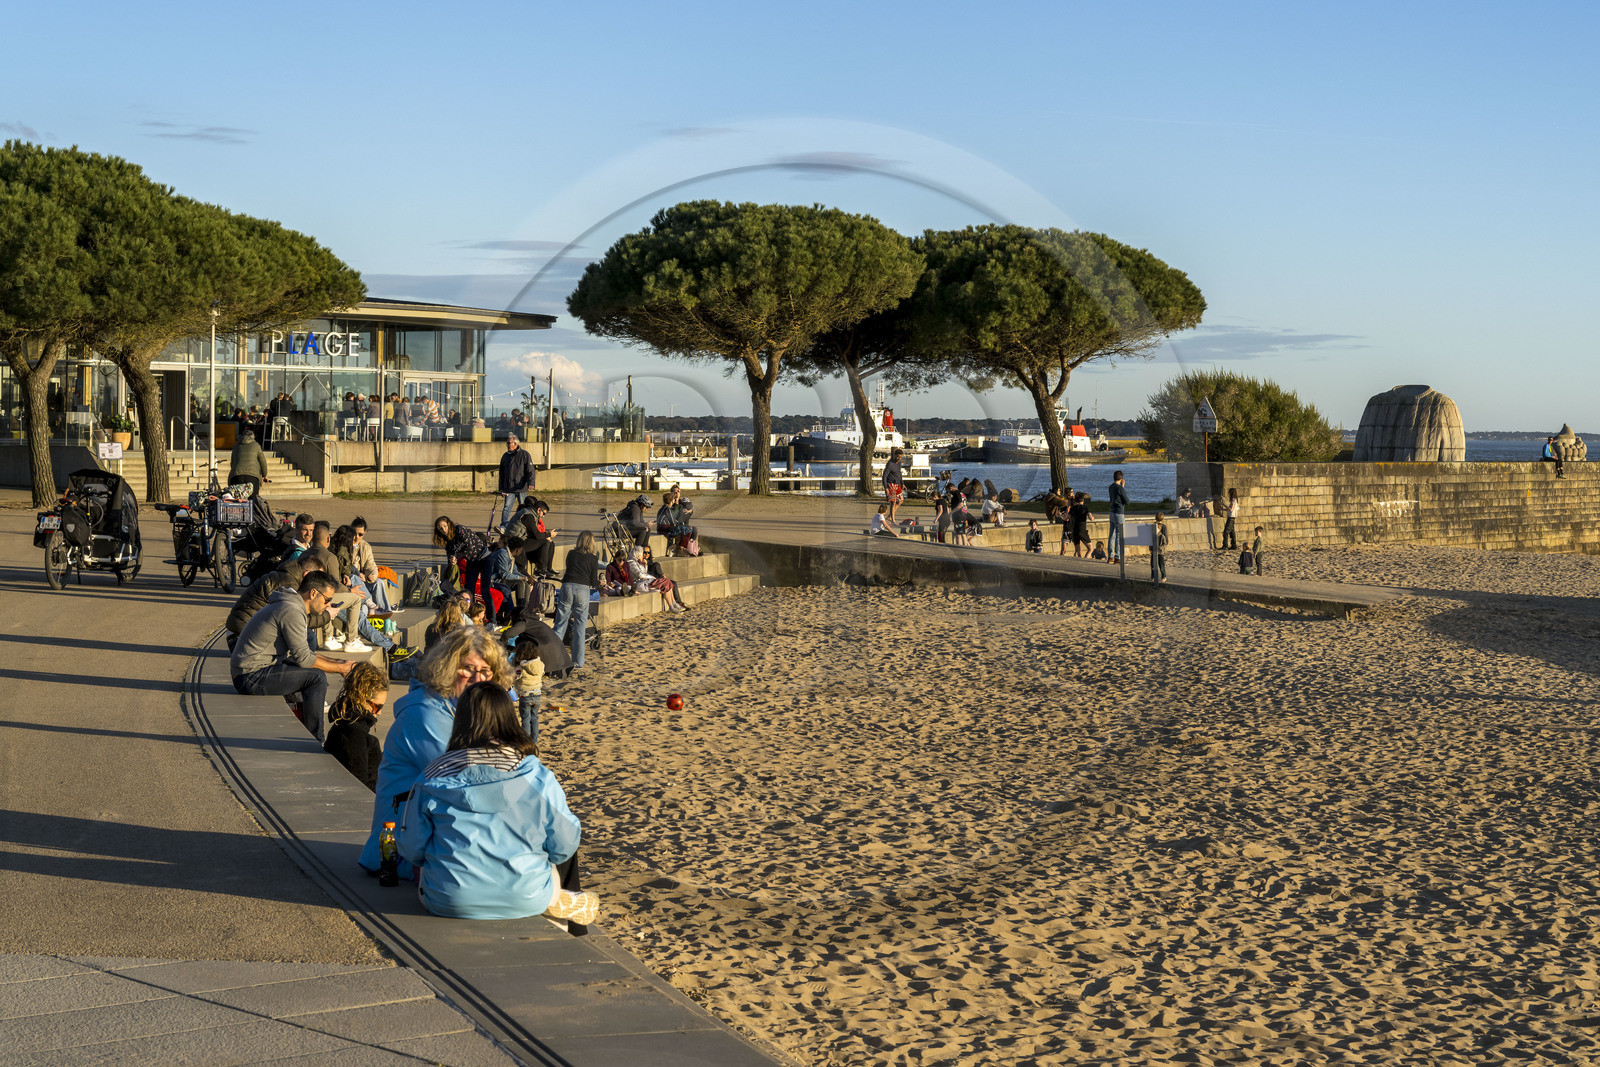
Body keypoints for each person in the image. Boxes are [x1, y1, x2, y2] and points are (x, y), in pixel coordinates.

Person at [397, 682, 596, 928]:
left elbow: (410, 848)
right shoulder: (537, 776)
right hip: (528, 896)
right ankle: (555, 902)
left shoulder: (432, 777)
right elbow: (565, 846)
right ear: (508, 719)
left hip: (449, 899)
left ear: (460, 719)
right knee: (549, 873)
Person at [360, 626, 512, 876]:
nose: (478, 679)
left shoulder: (465, 711)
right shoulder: (424, 714)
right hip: (402, 851)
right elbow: (464, 782)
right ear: (448, 668)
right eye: (468, 669)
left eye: (486, 671)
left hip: (437, 832)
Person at [230, 572, 353, 744]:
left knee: (309, 642)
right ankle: (315, 741)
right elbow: (304, 659)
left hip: (256, 668)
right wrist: (341, 669)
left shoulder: (291, 605)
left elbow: (304, 655)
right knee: (316, 678)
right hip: (249, 676)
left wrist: (339, 662)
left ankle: (305, 720)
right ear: (313, 593)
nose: (328, 605)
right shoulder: (291, 611)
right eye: (327, 599)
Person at [224, 556, 327, 650]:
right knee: (307, 638)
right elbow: (295, 619)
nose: (320, 583)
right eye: (318, 577)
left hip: (244, 633)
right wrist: (327, 615)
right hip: (241, 639)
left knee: (307, 636)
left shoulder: (289, 577)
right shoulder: (288, 584)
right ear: (307, 574)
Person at [324, 662, 390, 792]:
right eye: (377, 707)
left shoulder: (347, 723)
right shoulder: (353, 733)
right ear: (361, 699)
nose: (379, 713)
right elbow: (360, 786)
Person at [551, 531, 601, 670]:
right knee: (580, 627)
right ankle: (578, 661)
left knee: (560, 624)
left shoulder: (571, 554)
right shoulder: (593, 558)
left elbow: (569, 570)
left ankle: (553, 658)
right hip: (582, 589)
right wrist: (600, 584)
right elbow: (592, 580)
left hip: (567, 586)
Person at [433, 516, 490, 595]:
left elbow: (468, 545)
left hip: (484, 557)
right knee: (469, 589)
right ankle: (470, 606)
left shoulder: (459, 529)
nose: (443, 530)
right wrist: (452, 560)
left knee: (486, 591)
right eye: (440, 528)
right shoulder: (447, 540)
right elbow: (449, 555)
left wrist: (455, 555)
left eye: (444, 526)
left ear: (449, 524)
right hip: (472, 561)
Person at [350, 517, 391, 612]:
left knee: (378, 582)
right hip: (352, 582)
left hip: (364, 580)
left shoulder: (366, 547)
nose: (356, 537)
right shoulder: (345, 544)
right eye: (354, 534)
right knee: (364, 608)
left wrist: (371, 575)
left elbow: (371, 564)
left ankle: (384, 612)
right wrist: (358, 575)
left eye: (360, 534)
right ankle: (372, 606)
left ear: (364, 533)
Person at [629, 544, 687, 612]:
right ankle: (671, 606)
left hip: (646, 581)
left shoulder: (638, 562)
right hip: (640, 583)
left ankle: (673, 603)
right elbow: (640, 575)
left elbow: (644, 572)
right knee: (665, 582)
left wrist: (645, 565)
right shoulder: (631, 563)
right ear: (638, 555)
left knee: (667, 582)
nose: (643, 555)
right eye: (642, 554)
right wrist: (653, 577)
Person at [512, 635, 545, 747]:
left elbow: (515, 677)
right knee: (534, 718)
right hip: (537, 694)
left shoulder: (520, 666)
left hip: (524, 695)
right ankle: (534, 741)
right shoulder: (540, 664)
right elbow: (542, 673)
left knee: (525, 719)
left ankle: (526, 741)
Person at [497, 434, 535, 527]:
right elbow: (501, 473)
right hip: (509, 488)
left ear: (515, 444)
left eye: (509, 443)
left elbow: (530, 470)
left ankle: (523, 525)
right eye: (507, 443)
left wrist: (531, 483)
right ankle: (504, 526)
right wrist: (501, 488)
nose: (507, 445)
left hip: (521, 487)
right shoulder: (505, 456)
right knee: (506, 507)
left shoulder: (524, 454)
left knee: (523, 508)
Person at [228, 430, 271, 498]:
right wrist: (264, 475)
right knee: (253, 500)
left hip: (236, 476)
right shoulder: (256, 445)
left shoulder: (236, 446)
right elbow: (262, 461)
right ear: (253, 437)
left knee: (236, 499)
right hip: (252, 477)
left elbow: (232, 462)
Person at [1107, 470, 1129, 564]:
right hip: (1119, 513)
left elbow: (1117, 495)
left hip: (1111, 512)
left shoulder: (1111, 487)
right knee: (1119, 535)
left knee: (1111, 534)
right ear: (1121, 479)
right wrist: (1122, 487)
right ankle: (1118, 557)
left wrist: (1122, 486)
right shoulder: (1120, 488)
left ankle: (1110, 556)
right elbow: (1126, 501)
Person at [882, 447, 905, 522]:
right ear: (894, 455)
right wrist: (886, 488)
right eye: (898, 457)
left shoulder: (899, 463)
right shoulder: (890, 464)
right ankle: (893, 519)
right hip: (891, 484)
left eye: (900, 457)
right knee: (893, 502)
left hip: (897, 484)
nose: (899, 458)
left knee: (901, 500)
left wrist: (902, 483)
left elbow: (899, 473)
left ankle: (889, 516)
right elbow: (884, 476)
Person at [1150, 512, 1169, 584]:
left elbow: (1150, 537)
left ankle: (1153, 577)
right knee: (1161, 564)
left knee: (1153, 564)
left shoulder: (1153, 525)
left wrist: (1150, 547)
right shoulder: (1164, 527)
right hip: (1161, 550)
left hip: (1154, 548)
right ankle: (1163, 577)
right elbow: (1166, 540)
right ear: (1163, 518)